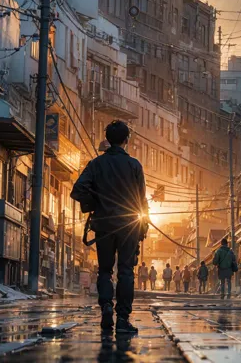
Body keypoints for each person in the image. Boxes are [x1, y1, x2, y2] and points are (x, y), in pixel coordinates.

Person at [71, 120, 148, 334]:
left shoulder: (96, 164)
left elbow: (78, 190)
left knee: (104, 270)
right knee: (125, 271)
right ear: (126, 140)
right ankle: (122, 318)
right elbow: (142, 200)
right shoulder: (134, 165)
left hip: (104, 225)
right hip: (129, 225)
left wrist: (96, 204)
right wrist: (143, 227)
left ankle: (106, 306)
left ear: (107, 139)